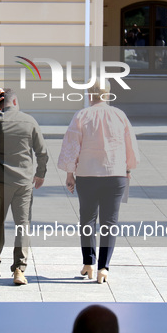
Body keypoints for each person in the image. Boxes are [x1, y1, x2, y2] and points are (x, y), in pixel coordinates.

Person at [57, 82, 139, 284]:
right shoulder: (120, 115)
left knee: (87, 220)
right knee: (110, 222)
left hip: (87, 174)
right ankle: (104, 268)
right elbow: (130, 145)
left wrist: (70, 173)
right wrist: (128, 169)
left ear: (89, 94)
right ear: (108, 94)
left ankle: (89, 263)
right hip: (115, 173)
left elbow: (71, 145)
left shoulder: (82, 115)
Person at [0, 88, 48, 285]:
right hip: (23, 183)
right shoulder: (30, 122)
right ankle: (19, 270)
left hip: (0, 182)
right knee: (23, 225)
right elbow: (42, 152)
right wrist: (40, 174)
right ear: (16, 102)